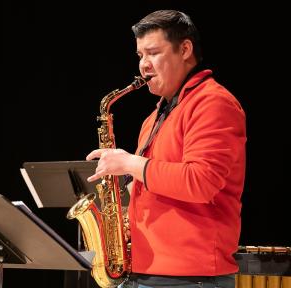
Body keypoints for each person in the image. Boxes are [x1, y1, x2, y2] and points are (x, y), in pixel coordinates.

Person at [86, 9, 246, 288]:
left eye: (153, 53)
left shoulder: (213, 103)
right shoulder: (154, 117)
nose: (144, 65)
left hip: (191, 277)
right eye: (140, 56)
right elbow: (157, 182)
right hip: (148, 271)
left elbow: (201, 181)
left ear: (185, 49)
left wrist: (129, 164)